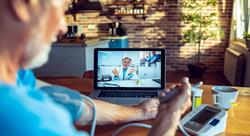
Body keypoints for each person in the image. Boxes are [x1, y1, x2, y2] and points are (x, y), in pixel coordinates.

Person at [0, 0, 191, 136]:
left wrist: (140, 112)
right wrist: (169, 115)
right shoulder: (30, 120)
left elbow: (72, 103)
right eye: (62, 8)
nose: (62, 27)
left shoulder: (17, 77)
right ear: (23, 4)